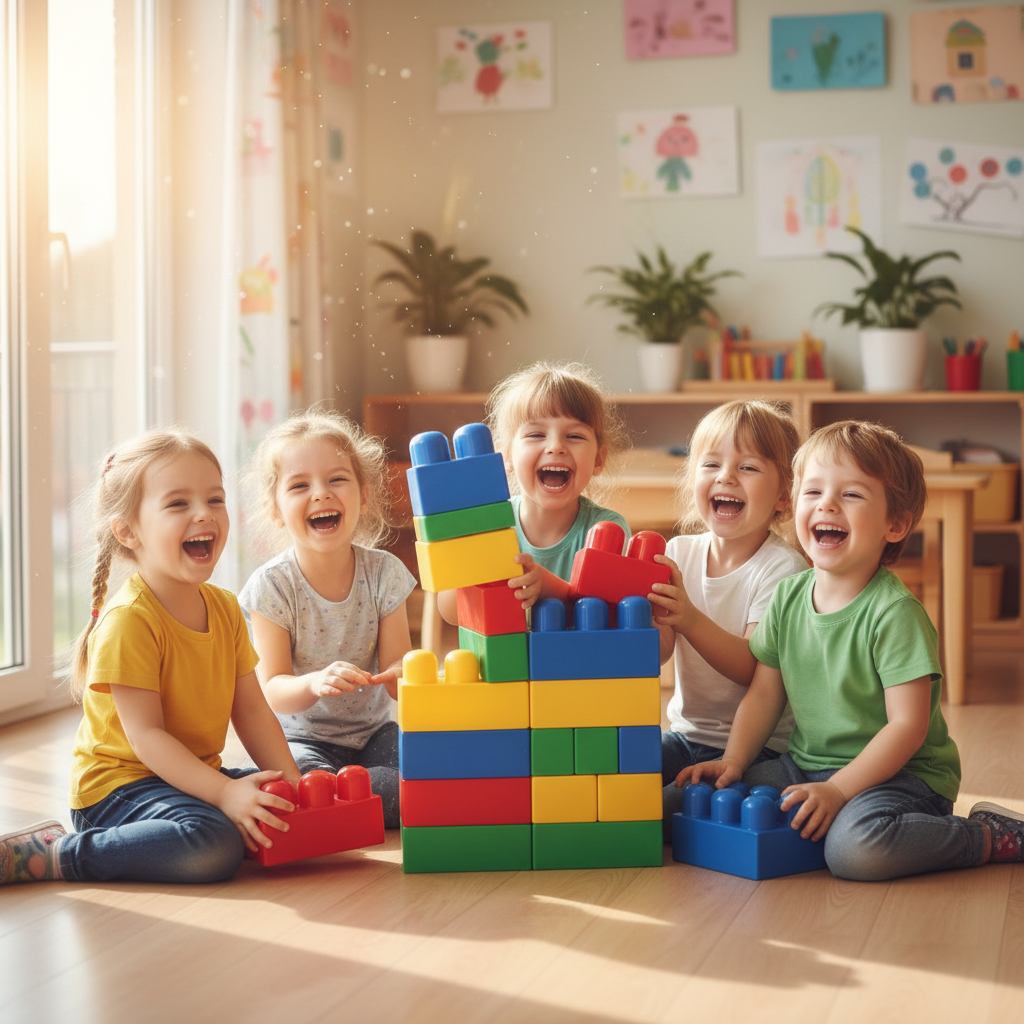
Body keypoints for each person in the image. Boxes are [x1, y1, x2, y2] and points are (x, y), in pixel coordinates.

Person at [680, 419, 1024, 880]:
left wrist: (839, 790)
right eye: (813, 491)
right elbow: (763, 695)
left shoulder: (895, 613)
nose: (827, 505)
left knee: (855, 851)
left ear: (895, 525)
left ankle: (986, 834)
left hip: (904, 778)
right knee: (693, 804)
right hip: (804, 766)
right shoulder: (788, 597)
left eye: (851, 495)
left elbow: (907, 727)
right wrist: (734, 762)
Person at [0, 430, 301, 886]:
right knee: (213, 843)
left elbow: (253, 712)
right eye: (178, 503)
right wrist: (224, 793)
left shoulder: (225, 607)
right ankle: (56, 853)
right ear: (127, 531)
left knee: (273, 797)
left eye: (215, 499)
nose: (204, 513)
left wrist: (295, 786)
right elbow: (147, 738)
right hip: (116, 790)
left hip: (186, 777)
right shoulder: (130, 619)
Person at [238, 408, 414, 829]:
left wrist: (403, 674)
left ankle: (342, 802)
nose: (321, 494)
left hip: (374, 735)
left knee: (421, 780)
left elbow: (398, 664)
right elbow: (273, 689)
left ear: (364, 495)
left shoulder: (385, 573)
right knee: (306, 787)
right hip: (300, 741)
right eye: (300, 485)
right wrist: (314, 683)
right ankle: (340, 798)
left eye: (337, 479)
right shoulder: (271, 586)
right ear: (276, 509)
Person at [648, 400, 808, 836]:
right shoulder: (678, 553)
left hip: (758, 750)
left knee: (658, 812)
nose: (726, 476)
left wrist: (688, 618)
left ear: (784, 496)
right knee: (616, 780)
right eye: (711, 464)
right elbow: (660, 654)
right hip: (684, 735)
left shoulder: (783, 569)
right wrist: (643, 617)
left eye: (748, 467)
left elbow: (753, 668)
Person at [438, 361, 630, 623]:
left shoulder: (606, 530)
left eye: (575, 436)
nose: (555, 446)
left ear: (598, 459)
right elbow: (451, 614)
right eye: (536, 434)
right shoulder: (491, 523)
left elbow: (608, 617)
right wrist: (467, 553)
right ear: (505, 456)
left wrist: (550, 587)